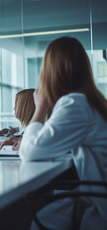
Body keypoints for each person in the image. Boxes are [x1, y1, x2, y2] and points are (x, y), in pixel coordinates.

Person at [20, 37, 107, 229]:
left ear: (50, 72)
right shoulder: (91, 100)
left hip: (98, 201)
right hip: (94, 193)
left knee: (29, 218)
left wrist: (40, 109)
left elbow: (30, 152)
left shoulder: (75, 104)